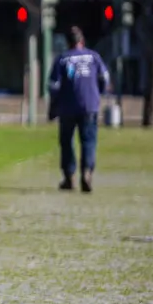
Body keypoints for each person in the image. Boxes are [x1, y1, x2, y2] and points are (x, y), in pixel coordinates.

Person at [48, 26, 110, 193]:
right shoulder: (94, 57)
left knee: (67, 142)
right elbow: (105, 77)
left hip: (67, 107)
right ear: (82, 41)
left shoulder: (62, 59)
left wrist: (53, 106)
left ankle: (70, 176)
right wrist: (98, 93)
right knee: (88, 141)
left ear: (68, 43)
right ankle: (87, 173)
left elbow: (54, 86)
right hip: (90, 105)